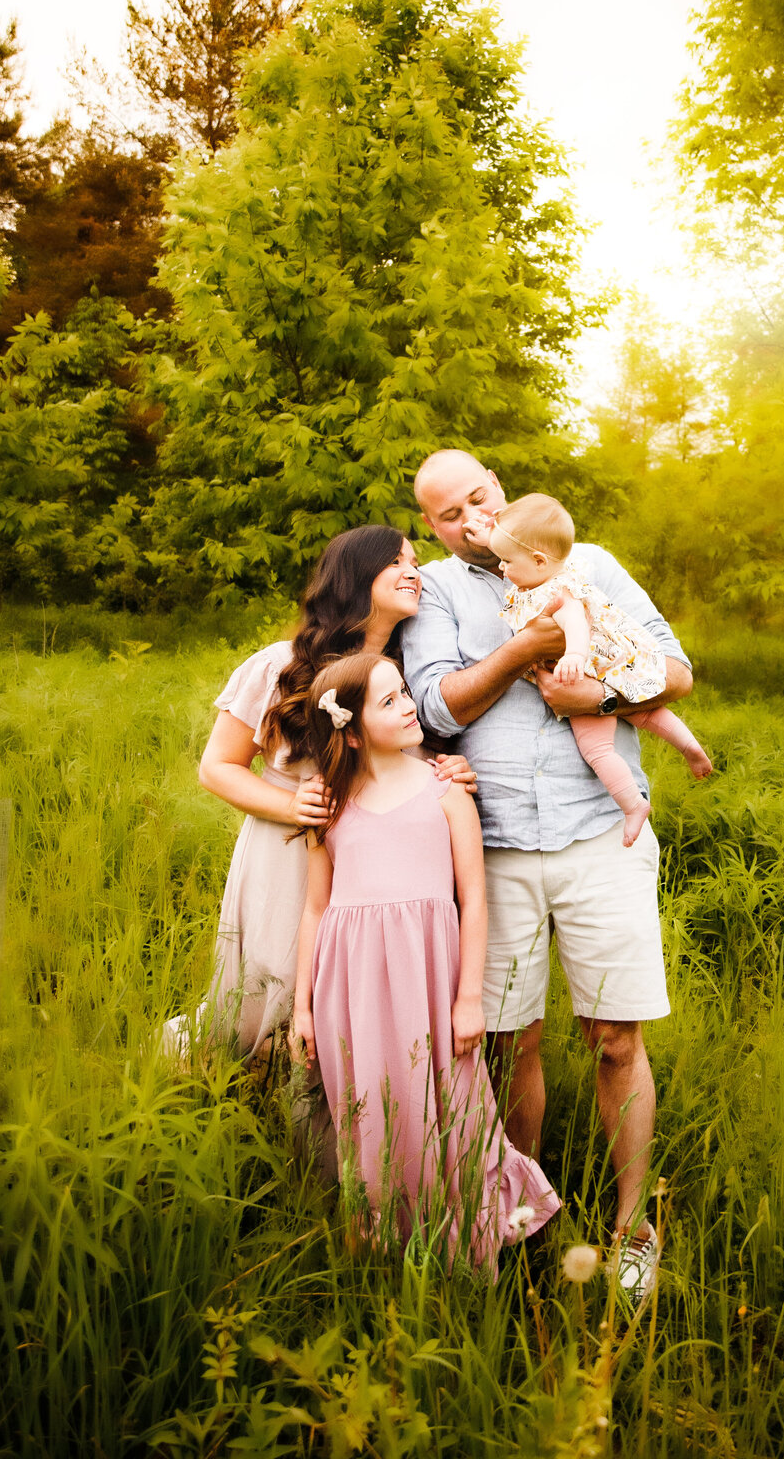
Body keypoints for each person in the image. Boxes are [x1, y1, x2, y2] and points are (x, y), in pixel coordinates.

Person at [402, 450, 694, 1299]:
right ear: (434, 527)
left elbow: (675, 671)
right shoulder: (442, 593)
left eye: (479, 499)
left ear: (499, 488)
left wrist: (597, 701)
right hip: (491, 845)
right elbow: (433, 708)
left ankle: (634, 1226)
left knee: (617, 1038)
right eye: (450, 515)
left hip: (600, 832)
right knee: (509, 1043)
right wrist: (527, 644)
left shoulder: (587, 563)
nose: (472, 520)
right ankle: (522, 1220)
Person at [290, 652, 559, 1269]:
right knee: (373, 1115)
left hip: (431, 981)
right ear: (351, 731)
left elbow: (474, 898)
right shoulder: (328, 805)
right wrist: (303, 1006)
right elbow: (314, 909)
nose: (409, 705)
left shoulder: (446, 790)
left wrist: (470, 998)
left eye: (405, 692)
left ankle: (470, 1242)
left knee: (453, 1109)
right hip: (351, 987)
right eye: (388, 702)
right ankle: (384, 1251)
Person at [168, 525, 472, 1060]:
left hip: (369, 868)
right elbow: (217, 768)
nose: (413, 572)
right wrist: (292, 805)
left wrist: (449, 771)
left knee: (347, 999)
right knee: (271, 990)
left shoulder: (405, 680)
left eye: (415, 562)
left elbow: (404, 768)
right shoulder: (280, 665)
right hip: (287, 851)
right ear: (355, 575)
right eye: (395, 562)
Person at [488, 493, 712, 847]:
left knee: (597, 751)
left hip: (583, 676)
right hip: (611, 665)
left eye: (505, 561)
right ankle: (691, 749)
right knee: (645, 713)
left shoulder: (553, 592)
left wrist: (574, 655)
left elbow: (574, 620)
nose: (501, 568)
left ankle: (632, 805)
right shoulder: (554, 577)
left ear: (538, 560)